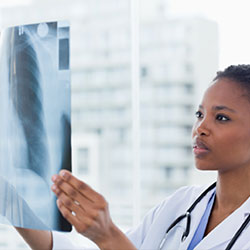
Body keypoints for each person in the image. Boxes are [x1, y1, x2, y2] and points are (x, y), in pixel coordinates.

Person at [16, 64, 250, 249]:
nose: (200, 127)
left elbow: (115, 246)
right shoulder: (182, 204)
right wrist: (17, 209)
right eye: (199, 114)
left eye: (221, 118)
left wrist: (108, 235)